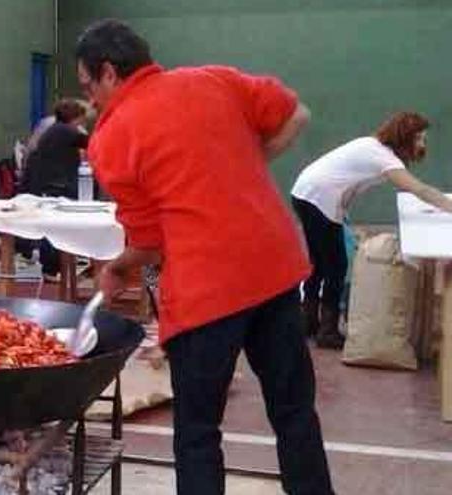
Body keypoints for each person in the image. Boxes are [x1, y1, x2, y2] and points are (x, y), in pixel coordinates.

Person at [77, 20, 334, 494]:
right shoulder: (214, 79)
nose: (90, 100)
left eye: (88, 86)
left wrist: (115, 269)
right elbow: (297, 113)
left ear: (109, 73)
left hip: (207, 293)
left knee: (197, 434)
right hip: (274, 271)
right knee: (295, 412)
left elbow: (151, 243)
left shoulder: (112, 139)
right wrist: (246, 166)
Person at [291, 112, 452, 348]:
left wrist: (340, 214)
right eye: (419, 139)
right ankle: (327, 331)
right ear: (406, 138)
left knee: (319, 263)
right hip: (318, 199)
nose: (422, 144)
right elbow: (420, 190)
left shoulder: (372, 145)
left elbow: (348, 182)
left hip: (303, 193)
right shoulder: (384, 159)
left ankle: (308, 322)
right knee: (337, 267)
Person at [22, 99, 89, 282]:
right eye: (82, 118)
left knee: (53, 227)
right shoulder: (66, 131)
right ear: (76, 117)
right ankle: (52, 269)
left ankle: (55, 268)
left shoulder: (52, 130)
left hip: (48, 182)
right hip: (57, 185)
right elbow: (93, 143)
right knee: (55, 228)